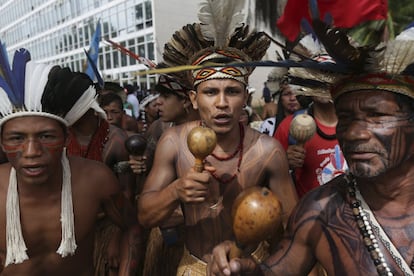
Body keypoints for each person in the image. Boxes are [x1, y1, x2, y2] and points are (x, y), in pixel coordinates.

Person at [207, 21, 414, 276]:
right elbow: (276, 271)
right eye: (345, 118)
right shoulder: (321, 210)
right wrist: (247, 272)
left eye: (376, 115)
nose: (354, 132)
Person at [137, 20, 298, 275]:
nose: (222, 103)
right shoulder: (173, 143)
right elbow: (145, 217)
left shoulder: (268, 151)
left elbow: (294, 227)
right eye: (210, 92)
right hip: (193, 266)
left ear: (245, 97)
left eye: (232, 91)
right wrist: (175, 192)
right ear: (193, 98)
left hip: (249, 265)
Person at [0, 50, 131, 275]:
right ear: (2, 143)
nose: (31, 151)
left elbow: (132, 227)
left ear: (65, 138)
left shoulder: (96, 179)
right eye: (17, 138)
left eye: (46, 136)